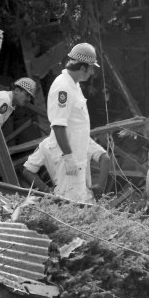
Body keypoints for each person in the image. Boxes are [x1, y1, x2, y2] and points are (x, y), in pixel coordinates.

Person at [46, 43, 99, 202]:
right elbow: (58, 124)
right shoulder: (64, 87)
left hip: (77, 155)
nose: (92, 72)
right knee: (69, 200)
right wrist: (68, 156)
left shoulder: (73, 85)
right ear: (82, 68)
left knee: (78, 200)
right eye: (91, 68)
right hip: (68, 156)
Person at [22, 137, 111, 200]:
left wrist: (47, 191)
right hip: (85, 198)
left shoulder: (46, 144)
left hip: (60, 200)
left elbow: (27, 170)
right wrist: (100, 186)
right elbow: (105, 158)